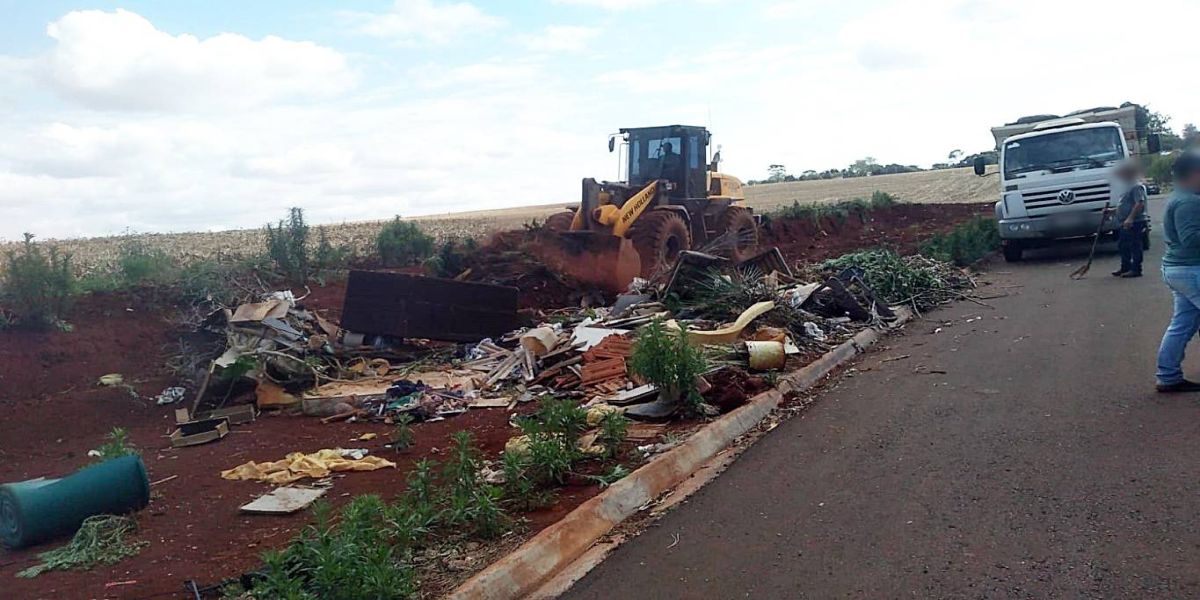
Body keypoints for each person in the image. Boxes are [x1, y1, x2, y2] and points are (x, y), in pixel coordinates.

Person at [1155, 151, 1200, 392]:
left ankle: (1168, 375)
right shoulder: (1188, 202)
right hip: (1191, 269)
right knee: (1182, 324)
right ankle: (1167, 374)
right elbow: (1191, 238)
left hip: (1180, 270)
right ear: (1194, 174)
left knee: (1183, 324)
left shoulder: (1182, 197)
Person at [1112, 162, 1149, 278]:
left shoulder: (1136, 186)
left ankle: (1136, 269)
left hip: (1135, 221)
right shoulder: (1126, 186)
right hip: (1125, 221)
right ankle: (1125, 267)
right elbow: (1125, 205)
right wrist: (1111, 211)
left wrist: (1130, 218)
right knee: (1123, 245)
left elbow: (1139, 204)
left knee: (1135, 245)